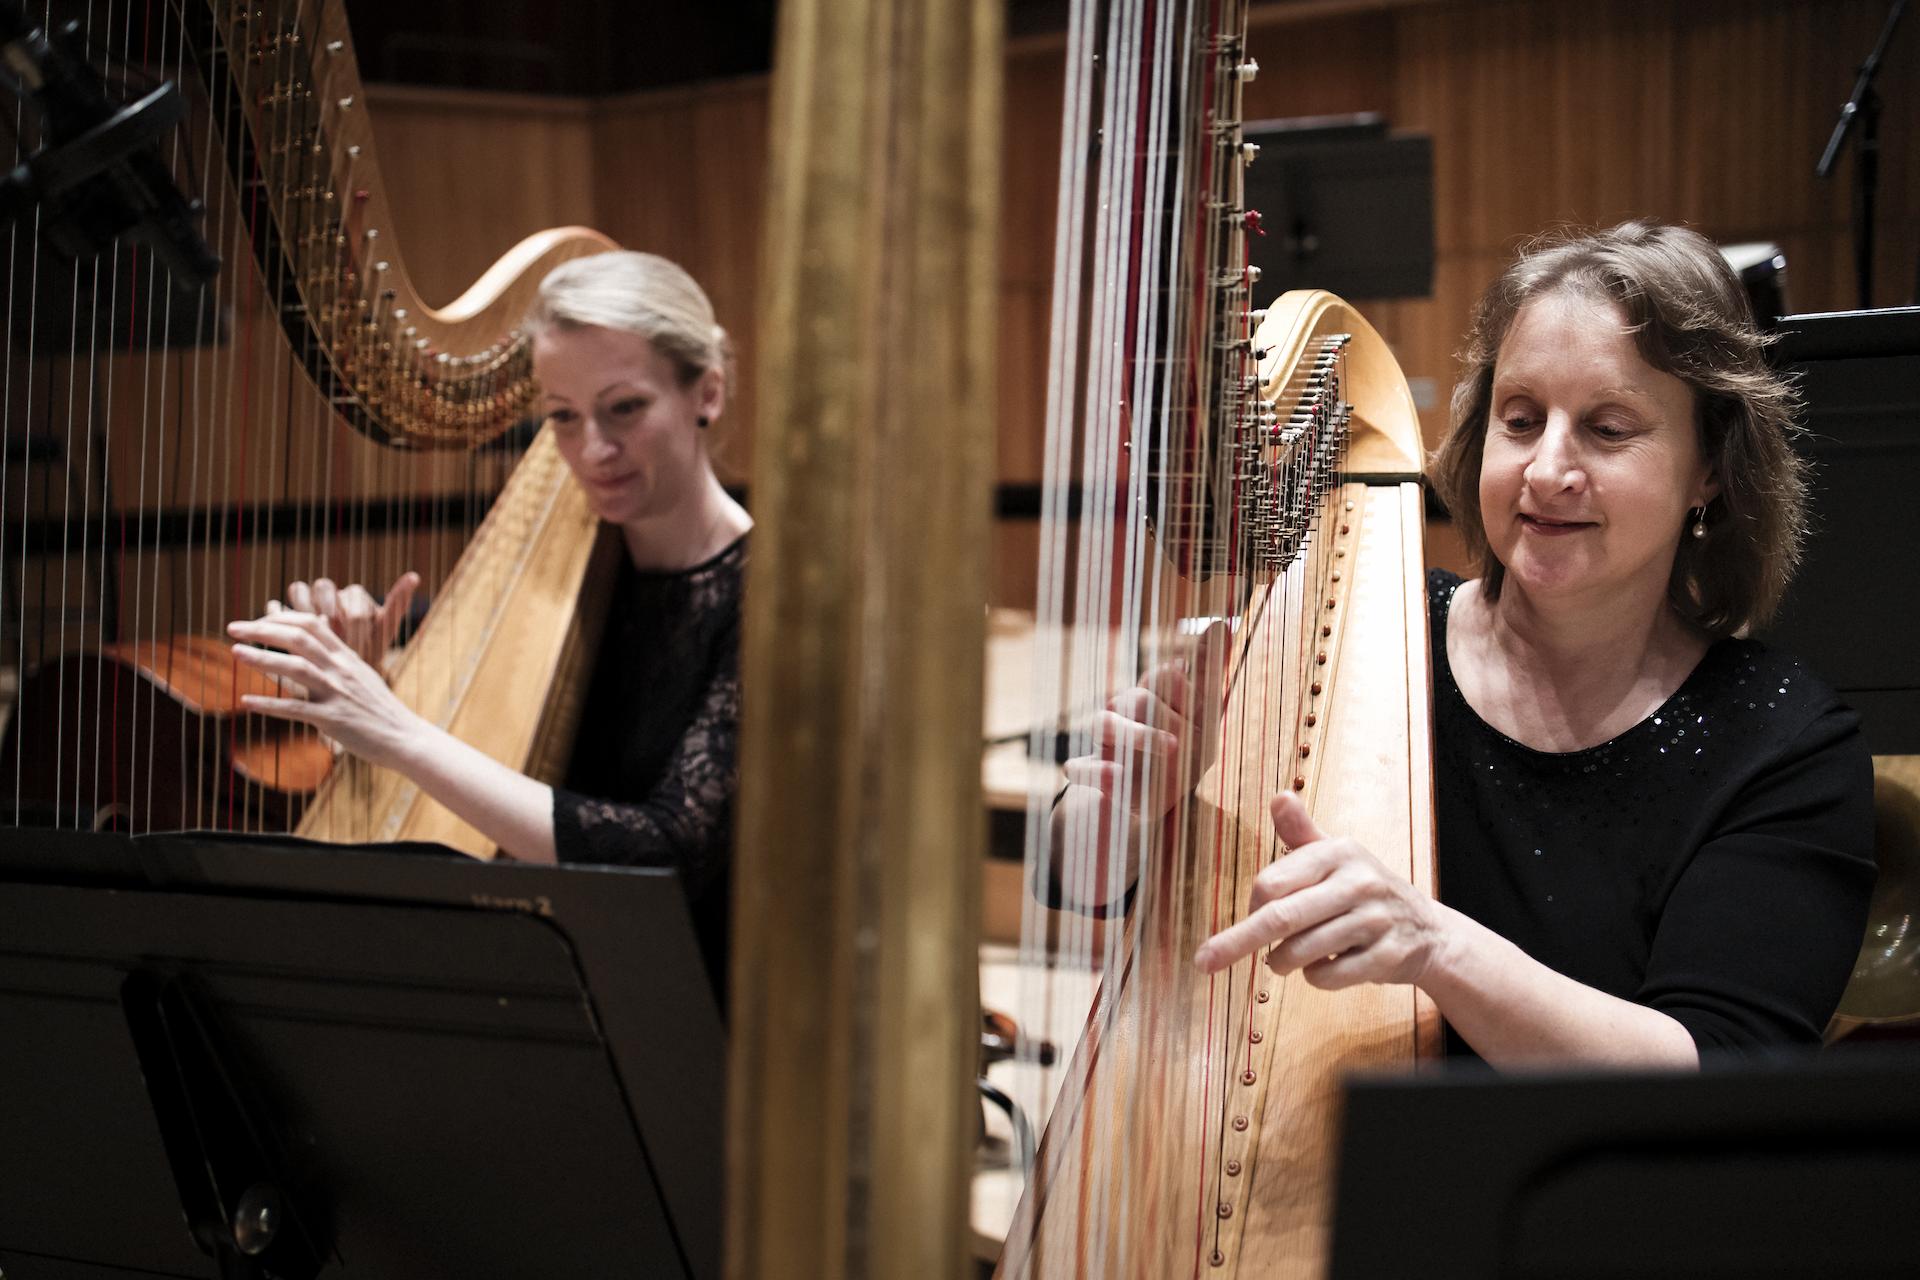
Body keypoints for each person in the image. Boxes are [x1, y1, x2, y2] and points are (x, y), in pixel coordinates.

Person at [1072, 221, 1876, 1067]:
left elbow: (1718, 1071)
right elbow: (1080, 876)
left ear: (1711, 466)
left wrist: (1437, 945)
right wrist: (1127, 814)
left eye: (1608, 429)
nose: (1547, 470)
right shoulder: (1356, 633)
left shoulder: (1780, 742)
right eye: (1520, 420)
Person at [227, 251, 751, 990]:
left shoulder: (763, 601)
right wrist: (366, 684)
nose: (592, 450)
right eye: (563, 416)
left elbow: (663, 853)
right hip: (557, 979)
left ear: (708, 393)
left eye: (625, 408)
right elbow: (472, 781)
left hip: (699, 1004)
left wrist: (397, 730)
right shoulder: (565, 577)